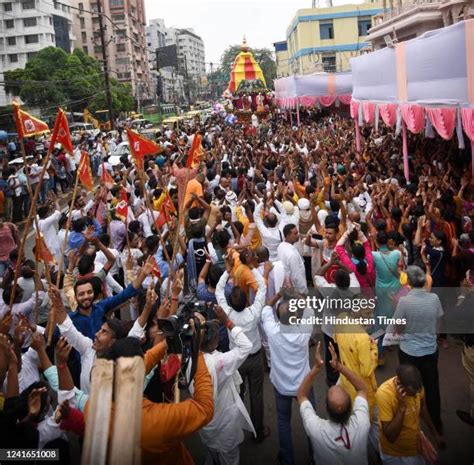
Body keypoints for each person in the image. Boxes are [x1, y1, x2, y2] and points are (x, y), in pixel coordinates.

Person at [215, 253, 270, 443]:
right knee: (256, 396)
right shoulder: (254, 313)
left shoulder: (227, 314)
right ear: (246, 300)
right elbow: (262, 287)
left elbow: (218, 291)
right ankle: (258, 431)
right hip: (254, 358)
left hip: (236, 359)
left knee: (237, 395)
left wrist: (227, 272)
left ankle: (236, 431)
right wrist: (252, 266)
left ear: (230, 303)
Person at [191, 307, 254, 465]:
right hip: (224, 424)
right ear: (214, 342)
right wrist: (228, 322)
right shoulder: (220, 362)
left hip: (205, 424)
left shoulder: (189, 360)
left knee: (211, 454)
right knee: (229, 459)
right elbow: (246, 346)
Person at [297, 341, 371, 465]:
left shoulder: (316, 429)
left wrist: (316, 368)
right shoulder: (362, 424)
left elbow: (301, 395)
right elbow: (363, 388)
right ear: (352, 407)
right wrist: (340, 367)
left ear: (326, 408)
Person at [261, 292, 313, 465]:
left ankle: (287, 459)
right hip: (304, 386)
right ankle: (314, 456)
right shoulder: (304, 329)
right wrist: (295, 295)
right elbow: (308, 307)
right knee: (311, 420)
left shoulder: (273, 331)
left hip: (281, 386)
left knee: (283, 421)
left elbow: (266, 309)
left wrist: (278, 295)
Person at [393, 265, 444, 434]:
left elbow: (397, 328)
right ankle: (436, 423)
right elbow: (438, 323)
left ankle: (408, 421)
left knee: (408, 386)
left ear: (409, 281)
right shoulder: (434, 298)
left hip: (409, 352)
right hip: (430, 350)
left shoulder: (404, 301)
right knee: (432, 387)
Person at [376, 364, 444, 464]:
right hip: (394, 453)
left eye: (419, 391)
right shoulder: (384, 394)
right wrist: (402, 407)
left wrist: (435, 434)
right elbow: (391, 437)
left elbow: (423, 408)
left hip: (414, 446)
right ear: (400, 385)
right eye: (413, 392)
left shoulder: (417, 387)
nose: (417, 394)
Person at [277, 224, 308, 295]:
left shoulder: (281, 246)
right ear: (288, 235)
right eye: (295, 233)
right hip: (296, 289)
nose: (298, 235)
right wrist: (303, 291)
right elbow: (296, 276)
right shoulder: (292, 254)